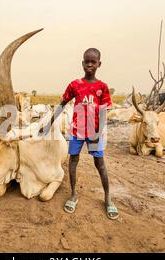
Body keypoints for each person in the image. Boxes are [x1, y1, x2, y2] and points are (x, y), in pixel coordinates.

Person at [39, 48, 118, 220]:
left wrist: (98, 132)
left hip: (94, 133)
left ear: (99, 64)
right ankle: (74, 194)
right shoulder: (75, 85)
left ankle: (107, 198)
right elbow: (62, 104)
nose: (90, 65)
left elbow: (103, 113)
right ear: (82, 63)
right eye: (86, 61)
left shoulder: (102, 87)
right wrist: (48, 125)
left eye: (93, 62)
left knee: (100, 164)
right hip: (76, 131)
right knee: (73, 161)